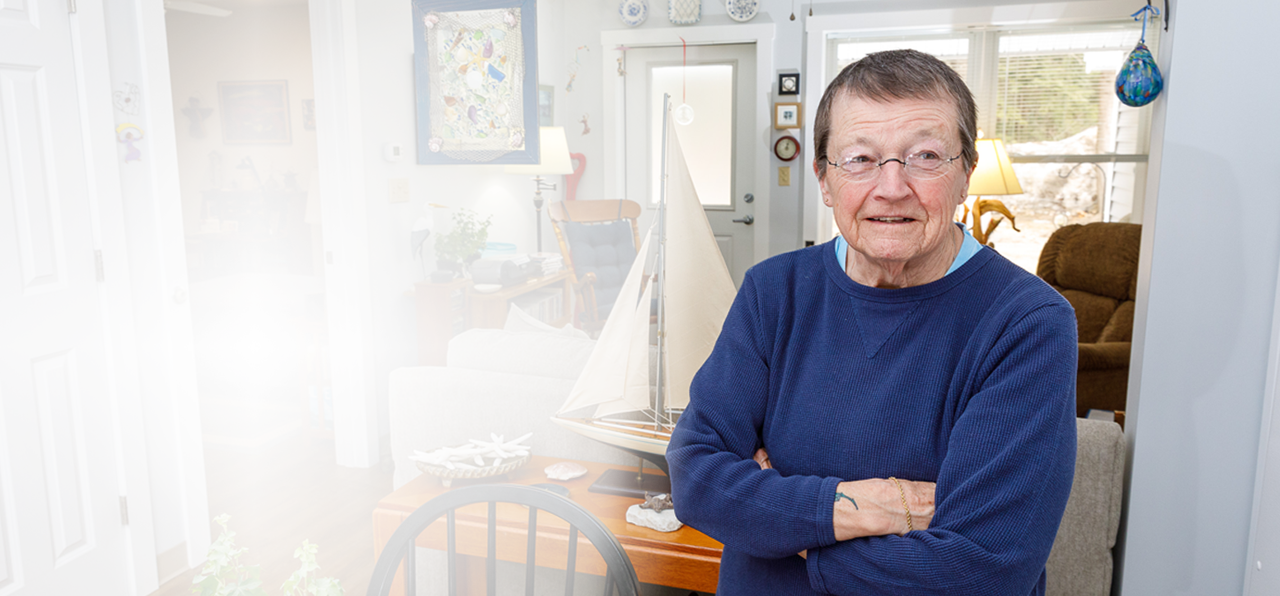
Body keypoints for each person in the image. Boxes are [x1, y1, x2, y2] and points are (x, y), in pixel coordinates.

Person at [667, 49, 1078, 595]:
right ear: (824, 178)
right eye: (860, 159)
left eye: (926, 156)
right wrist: (871, 510)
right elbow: (695, 478)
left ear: (965, 175)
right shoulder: (773, 291)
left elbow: (982, 569)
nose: (891, 187)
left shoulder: (1028, 324)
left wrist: (786, 530)